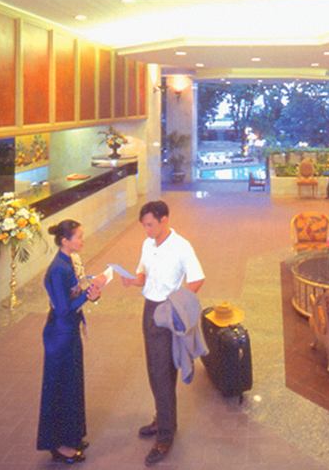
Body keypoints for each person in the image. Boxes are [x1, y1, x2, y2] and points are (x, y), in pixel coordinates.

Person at [122, 200, 205, 466]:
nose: (146, 230)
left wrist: (176, 304)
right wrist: (132, 280)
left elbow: (197, 278)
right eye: (144, 225)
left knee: (163, 372)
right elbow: (143, 275)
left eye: (150, 225)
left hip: (167, 312)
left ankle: (165, 436)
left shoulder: (182, 246)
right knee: (154, 369)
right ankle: (162, 418)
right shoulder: (148, 244)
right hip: (149, 309)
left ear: (164, 220)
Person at [37, 219, 105, 464]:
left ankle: (71, 436)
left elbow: (72, 297)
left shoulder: (68, 262)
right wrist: (89, 293)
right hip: (60, 335)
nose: (82, 241)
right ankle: (59, 444)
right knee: (61, 388)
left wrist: (90, 293)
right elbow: (64, 308)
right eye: (78, 237)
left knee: (72, 385)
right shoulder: (59, 269)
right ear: (65, 241)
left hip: (68, 332)